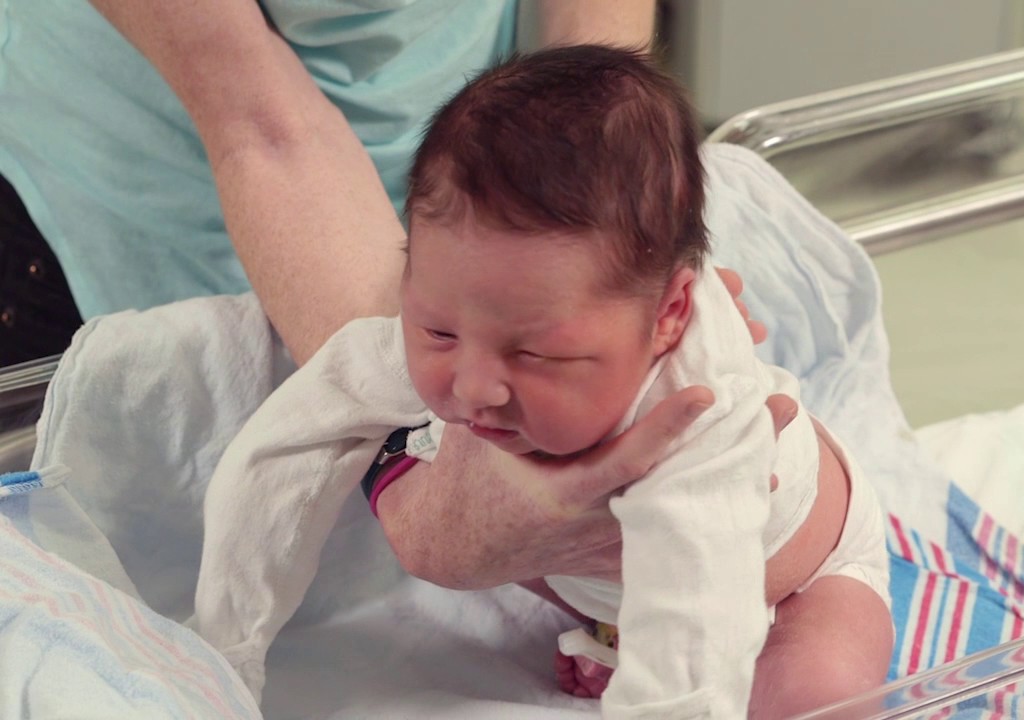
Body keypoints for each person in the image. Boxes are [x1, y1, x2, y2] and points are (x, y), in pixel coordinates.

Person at [0, 1, 788, 602]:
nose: (476, 387)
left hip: (492, 150)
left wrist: (612, 225)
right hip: (177, 158)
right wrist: (401, 462)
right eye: (440, 334)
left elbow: (599, 86)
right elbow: (264, 124)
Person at [193, 45, 892, 718]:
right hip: (614, 578)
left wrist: (657, 685)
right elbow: (282, 450)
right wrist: (225, 649)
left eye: (533, 354)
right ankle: (616, 631)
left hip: (802, 576)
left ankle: (630, 637)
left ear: (669, 316)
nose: (474, 388)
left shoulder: (696, 414)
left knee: (813, 696)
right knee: (485, 500)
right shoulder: (472, 317)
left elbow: (698, 631)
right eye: (438, 332)